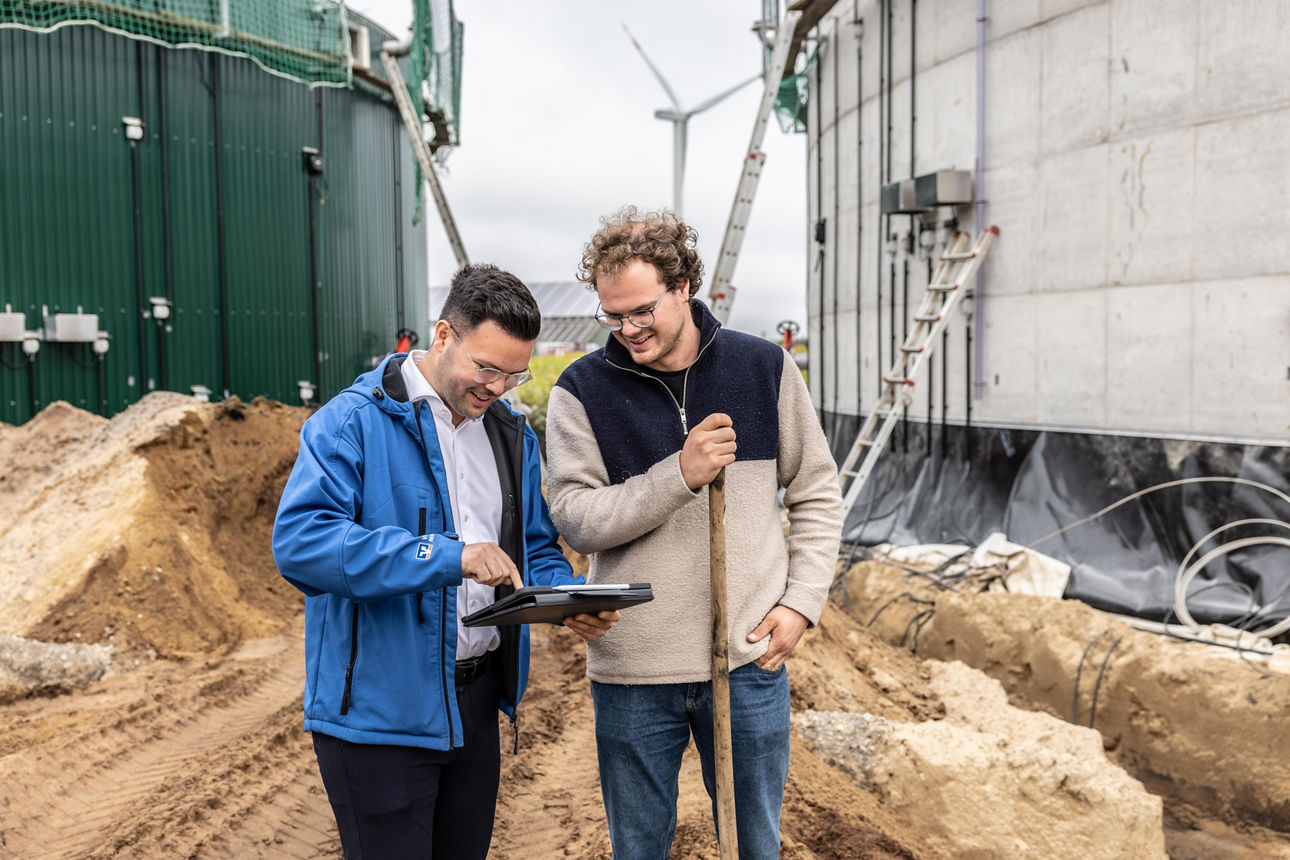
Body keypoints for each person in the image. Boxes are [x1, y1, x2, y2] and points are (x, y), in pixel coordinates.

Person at [273, 263, 617, 860]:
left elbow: (532, 546)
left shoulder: (510, 434)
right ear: (441, 335)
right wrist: (445, 556)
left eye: (514, 375)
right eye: (486, 367)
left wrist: (566, 600)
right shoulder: (349, 423)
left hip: (475, 707)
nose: (497, 387)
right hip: (379, 717)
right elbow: (303, 544)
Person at [545, 207, 844, 859]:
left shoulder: (763, 369)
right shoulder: (581, 390)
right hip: (632, 670)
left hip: (744, 664)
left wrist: (802, 600)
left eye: (642, 310)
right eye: (612, 315)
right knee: (639, 849)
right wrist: (675, 476)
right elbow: (574, 516)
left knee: (753, 846)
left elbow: (818, 488)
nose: (627, 330)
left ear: (683, 287)